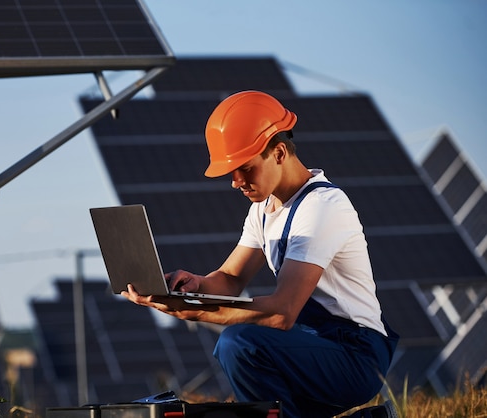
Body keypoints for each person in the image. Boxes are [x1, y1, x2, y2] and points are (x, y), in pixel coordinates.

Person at [121, 90, 399, 418]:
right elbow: (230, 279)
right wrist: (194, 287)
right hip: (310, 343)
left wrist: (198, 313)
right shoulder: (264, 210)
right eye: (231, 172)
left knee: (239, 344)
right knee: (243, 346)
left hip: (355, 355)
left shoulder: (322, 207)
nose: (236, 182)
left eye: (245, 168)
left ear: (279, 153)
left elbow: (282, 312)